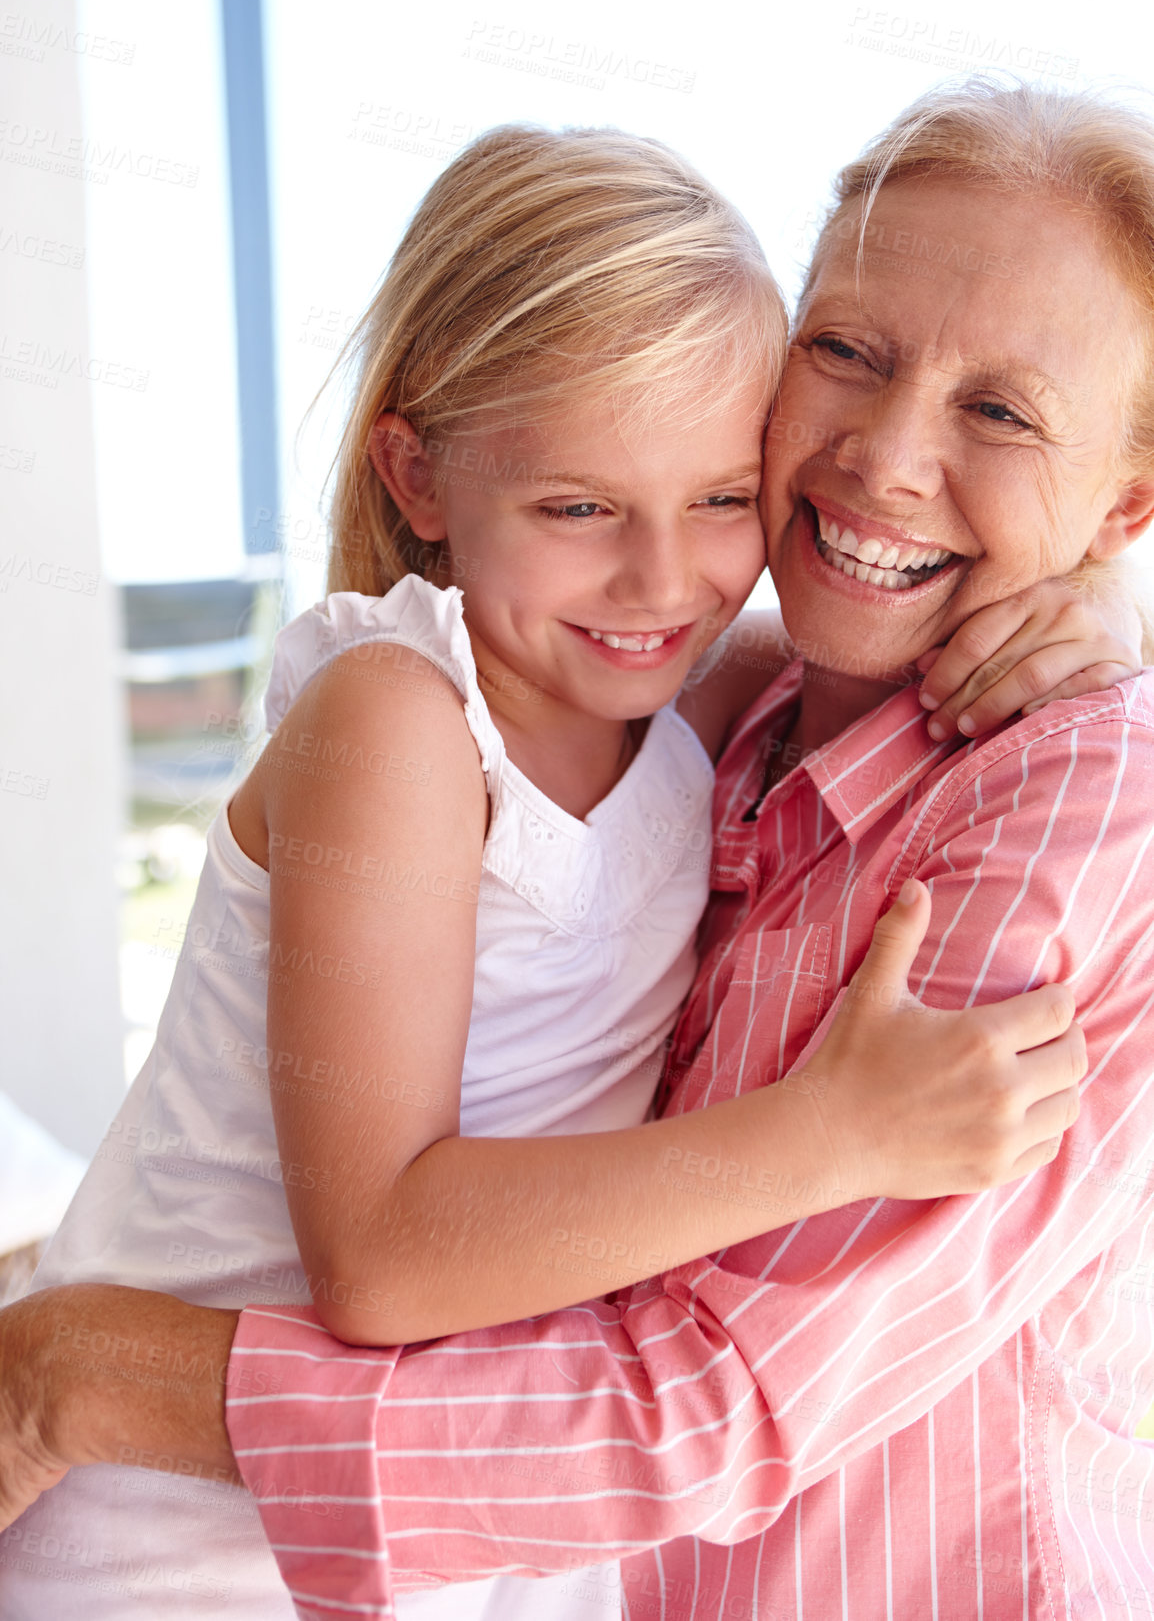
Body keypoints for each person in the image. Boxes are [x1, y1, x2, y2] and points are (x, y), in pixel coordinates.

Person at [2, 78, 1153, 1618]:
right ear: (420, 477)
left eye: (716, 500)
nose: (662, 573)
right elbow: (388, 1254)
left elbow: (707, 1397)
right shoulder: (535, 717)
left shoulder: (753, 702)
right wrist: (833, 1133)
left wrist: (1092, 596)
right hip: (188, 1556)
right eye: (845, 352)